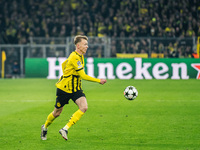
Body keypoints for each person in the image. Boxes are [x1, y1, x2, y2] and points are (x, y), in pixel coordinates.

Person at [41, 35, 107, 141]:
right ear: (78, 45)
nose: (87, 46)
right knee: (56, 113)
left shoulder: (80, 56)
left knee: (84, 107)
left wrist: (67, 73)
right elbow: (83, 76)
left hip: (76, 89)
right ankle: (44, 127)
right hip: (64, 90)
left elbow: (64, 64)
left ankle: (65, 129)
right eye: (85, 44)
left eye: (87, 44)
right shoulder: (75, 57)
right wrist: (99, 80)